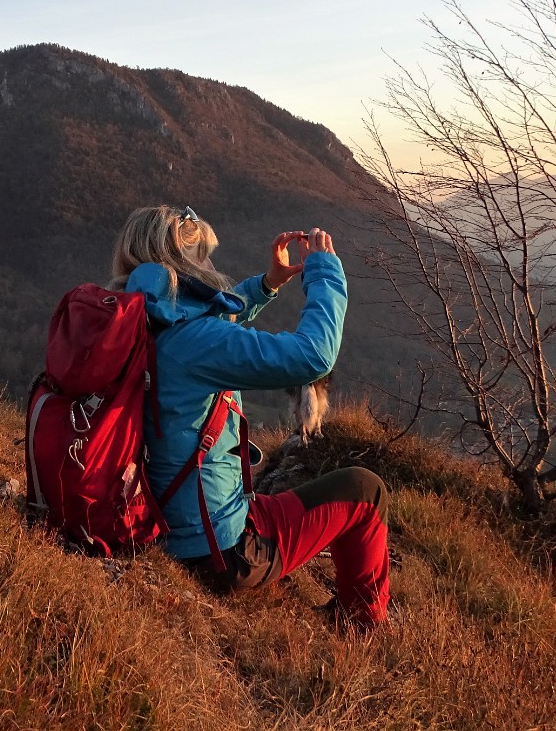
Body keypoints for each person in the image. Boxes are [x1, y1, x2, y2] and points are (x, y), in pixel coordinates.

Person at [109, 205, 391, 629]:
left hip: (165, 527)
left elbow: (205, 318)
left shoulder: (141, 320)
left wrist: (266, 285)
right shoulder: (196, 341)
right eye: (202, 255)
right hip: (221, 553)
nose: (210, 264)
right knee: (366, 490)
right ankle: (360, 626)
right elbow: (312, 357)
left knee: (279, 504)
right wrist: (325, 273)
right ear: (181, 264)